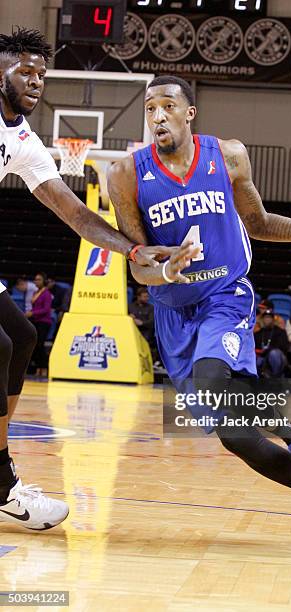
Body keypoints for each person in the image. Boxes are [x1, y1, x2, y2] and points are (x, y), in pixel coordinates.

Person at [107, 74, 291, 552]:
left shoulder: (227, 156)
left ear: (189, 113)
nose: (157, 116)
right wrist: (166, 269)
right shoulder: (125, 174)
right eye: (150, 109)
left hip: (225, 297)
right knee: (237, 437)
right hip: (173, 314)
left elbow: (258, 222)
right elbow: (138, 265)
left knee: (214, 379)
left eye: (168, 106)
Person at [0, 28, 174, 530]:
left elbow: (77, 216)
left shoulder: (24, 140)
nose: (35, 82)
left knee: (23, 336)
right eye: (24, 72)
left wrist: (134, 248)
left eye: (40, 74)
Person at [25, 272, 52, 377]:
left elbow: (46, 309)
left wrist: (33, 313)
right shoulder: (35, 292)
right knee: (35, 346)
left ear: (44, 281)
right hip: (35, 321)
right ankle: (38, 368)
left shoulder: (47, 293)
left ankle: (44, 367)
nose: (36, 281)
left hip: (44, 322)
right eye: (35, 279)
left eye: (39, 279)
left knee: (40, 345)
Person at [254, 308, 288, 377]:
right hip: (261, 357)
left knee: (274, 354)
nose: (267, 319)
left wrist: (267, 351)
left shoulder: (280, 332)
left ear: (273, 319)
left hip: (277, 357)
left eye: (269, 317)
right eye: (266, 317)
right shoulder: (258, 333)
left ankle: (276, 379)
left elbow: (283, 347)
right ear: (262, 319)